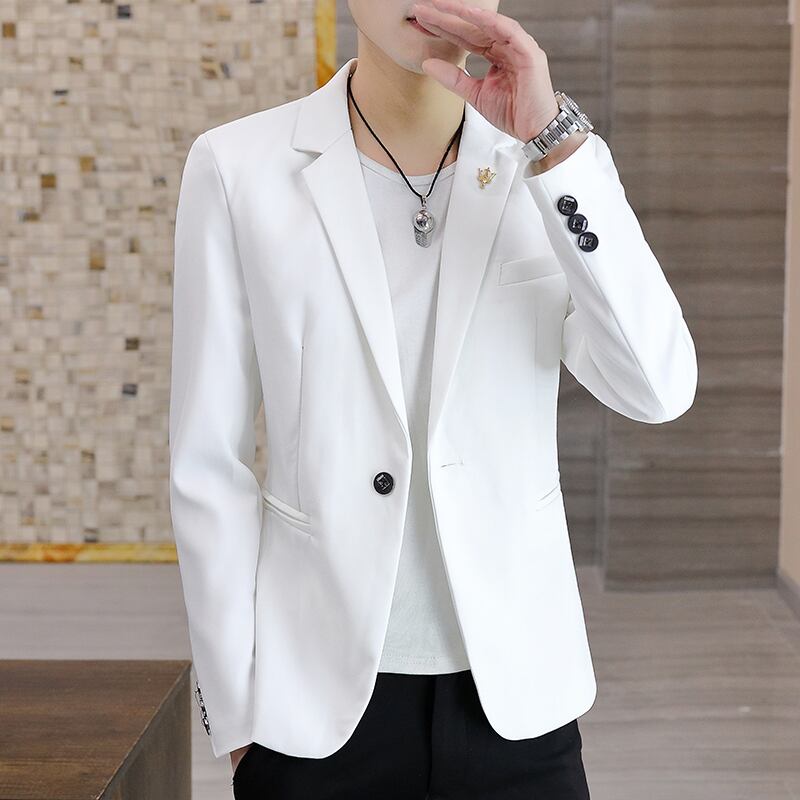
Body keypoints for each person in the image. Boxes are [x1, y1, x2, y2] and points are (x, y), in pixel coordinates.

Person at [168, 0, 698, 797]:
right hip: (311, 701)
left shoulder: (555, 165)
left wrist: (553, 145)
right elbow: (206, 464)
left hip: (517, 696)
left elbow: (656, 388)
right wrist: (236, 717)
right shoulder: (237, 166)